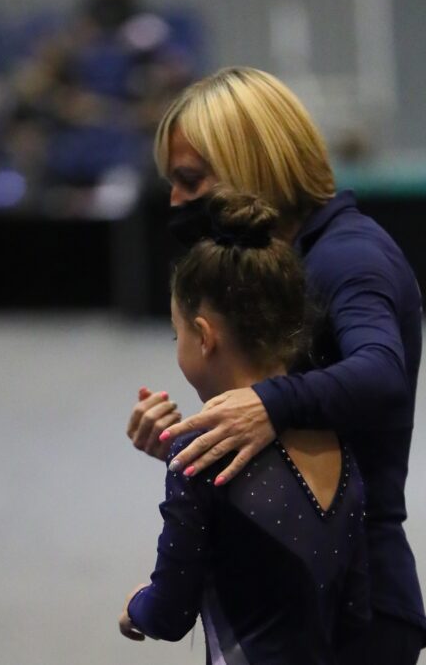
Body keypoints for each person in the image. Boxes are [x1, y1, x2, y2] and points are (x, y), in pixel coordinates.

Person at [126, 67, 426, 663]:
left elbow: (379, 374)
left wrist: (267, 404)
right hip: (300, 597)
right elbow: (284, 444)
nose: (175, 201)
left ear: (254, 165)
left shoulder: (350, 256)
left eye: (190, 179)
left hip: (352, 609)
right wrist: (186, 442)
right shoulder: (288, 258)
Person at [120, 191, 370, 663]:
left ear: (204, 336)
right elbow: (355, 613)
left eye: (179, 335)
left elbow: (170, 613)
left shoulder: (199, 456)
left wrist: (136, 606)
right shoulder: (339, 442)